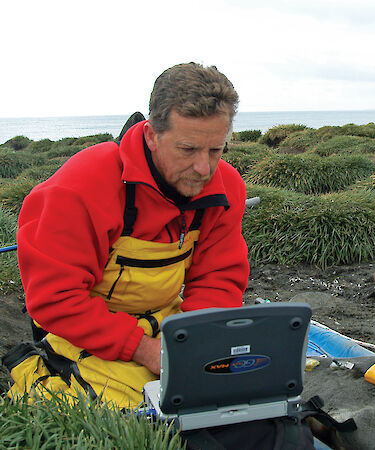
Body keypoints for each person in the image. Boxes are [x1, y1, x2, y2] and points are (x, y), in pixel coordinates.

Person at [2, 63, 249, 408]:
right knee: (132, 412)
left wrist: (191, 344)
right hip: (83, 332)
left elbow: (218, 279)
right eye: (188, 149)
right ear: (151, 135)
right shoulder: (81, 187)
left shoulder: (226, 187)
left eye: (215, 150)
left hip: (167, 324)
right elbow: (53, 299)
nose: (204, 169)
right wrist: (145, 350)